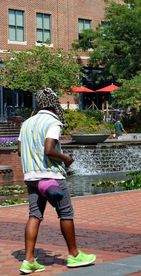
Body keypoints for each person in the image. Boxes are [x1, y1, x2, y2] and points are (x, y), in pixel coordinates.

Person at [17, 88, 96, 274]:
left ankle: (28, 260)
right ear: (54, 104)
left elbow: (20, 151)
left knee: (34, 215)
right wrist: (66, 159)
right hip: (51, 177)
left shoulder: (26, 123)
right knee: (66, 213)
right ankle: (75, 255)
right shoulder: (53, 122)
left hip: (32, 178)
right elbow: (49, 149)